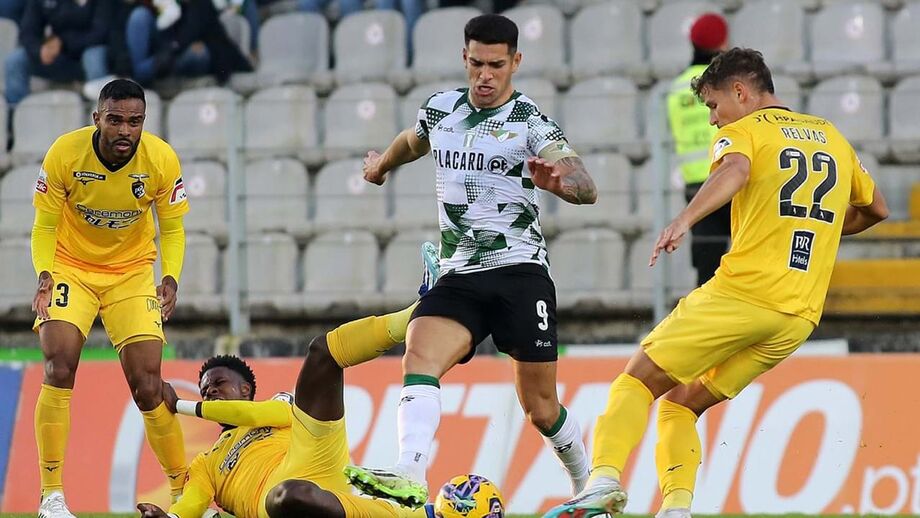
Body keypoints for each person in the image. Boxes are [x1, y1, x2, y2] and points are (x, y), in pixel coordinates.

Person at [542, 48, 890, 518]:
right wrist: (817, 228)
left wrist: (684, 218)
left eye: (713, 105)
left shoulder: (744, 131)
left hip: (743, 294)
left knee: (635, 381)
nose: (711, 119)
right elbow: (876, 209)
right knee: (680, 405)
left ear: (740, 92)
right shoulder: (831, 136)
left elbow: (736, 169)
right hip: (798, 316)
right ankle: (677, 510)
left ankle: (602, 480)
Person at [344, 13, 598, 508]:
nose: (485, 75)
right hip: (460, 273)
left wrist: (561, 186)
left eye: (496, 65)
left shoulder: (529, 121)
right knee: (419, 354)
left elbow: (586, 186)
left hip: (520, 273)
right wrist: (380, 166)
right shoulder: (441, 109)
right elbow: (413, 141)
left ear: (515, 62)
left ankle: (588, 488)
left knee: (541, 408)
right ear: (465, 57)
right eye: (477, 63)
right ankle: (410, 470)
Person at [135, 286, 440, 518]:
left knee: (322, 352)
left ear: (245, 388)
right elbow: (193, 500)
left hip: (315, 457)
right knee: (290, 495)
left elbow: (250, 415)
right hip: (275, 498)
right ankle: (419, 515)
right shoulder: (206, 461)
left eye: (219, 383)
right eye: (204, 390)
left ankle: (417, 314)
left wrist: (181, 405)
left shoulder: (276, 405)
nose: (210, 391)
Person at [31, 78, 190, 518]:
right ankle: (51, 496)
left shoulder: (160, 159)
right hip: (70, 267)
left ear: (144, 122)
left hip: (131, 273)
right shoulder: (65, 153)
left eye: (134, 122)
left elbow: (172, 228)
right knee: (59, 364)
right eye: (115, 120)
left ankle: (185, 494)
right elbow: (44, 226)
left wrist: (171, 277)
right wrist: (45, 274)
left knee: (149, 385)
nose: (125, 130)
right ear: (96, 118)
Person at [666, 12, 731, 286]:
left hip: (696, 184)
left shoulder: (676, 88)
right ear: (722, 43)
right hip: (729, 176)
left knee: (707, 267)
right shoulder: (726, 84)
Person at [4, 0, 112, 107]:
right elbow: (28, 31)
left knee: (93, 56)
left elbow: (101, 33)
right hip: (57, 55)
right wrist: (39, 50)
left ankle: (103, 111)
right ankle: (15, 112)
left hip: (87, 54)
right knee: (15, 60)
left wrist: (63, 43)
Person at [124, 0, 252, 86]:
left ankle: (142, 74)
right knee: (139, 16)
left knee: (198, 54)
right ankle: (141, 73)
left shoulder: (200, 4)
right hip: (165, 55)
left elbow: (188, 36)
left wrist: (172, 49)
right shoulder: (162, 5)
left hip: (186, 56)